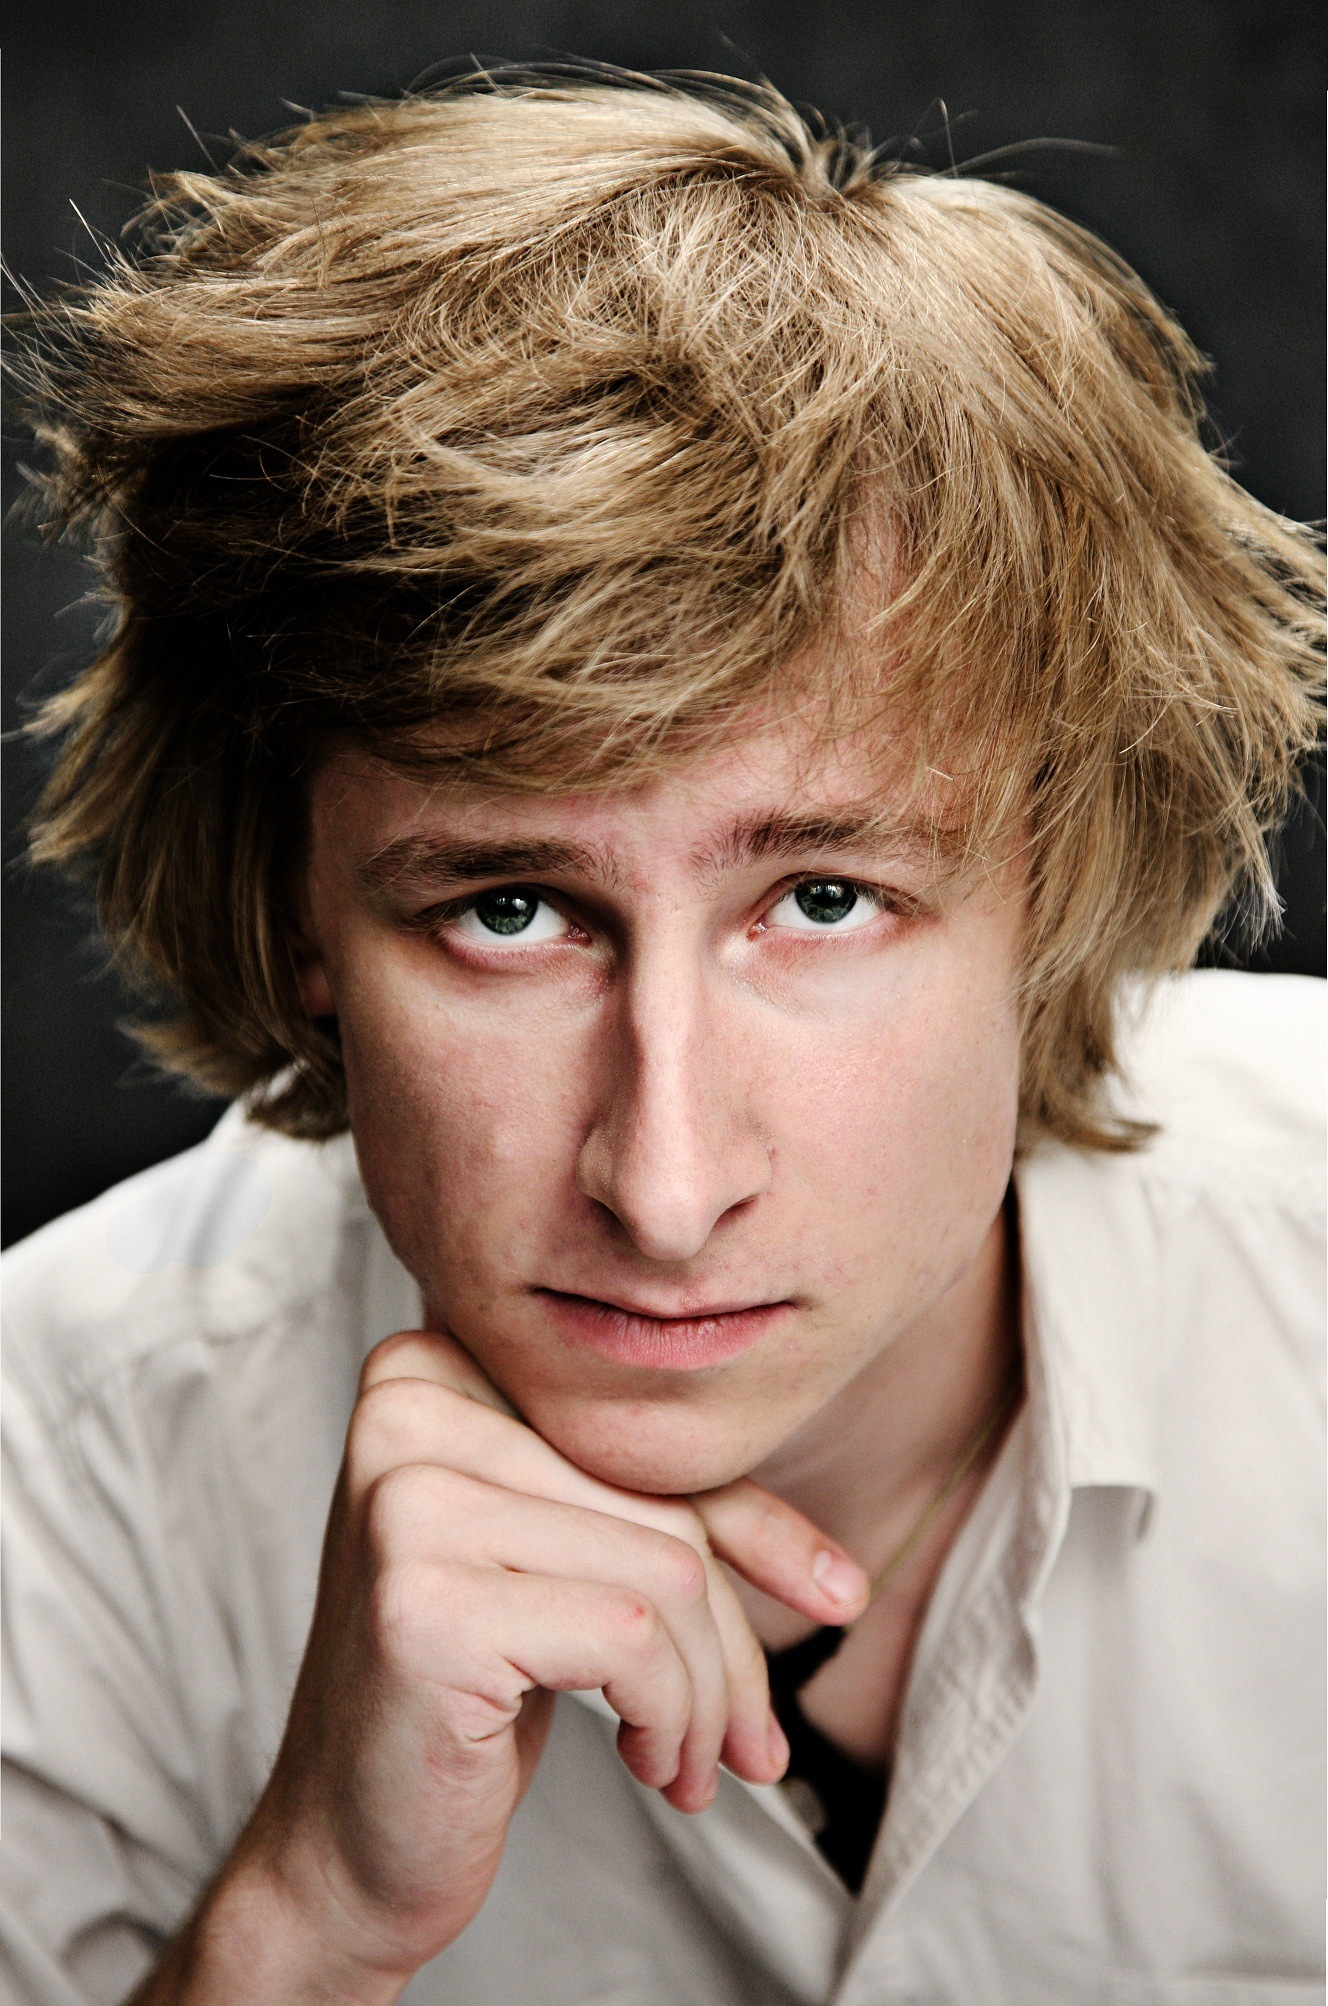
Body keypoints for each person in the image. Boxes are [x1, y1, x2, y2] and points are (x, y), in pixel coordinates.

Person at [2, 70, 1323, 2006]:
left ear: (1058, 890)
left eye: (824, 898)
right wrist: (305, 1919)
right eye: (508, 910)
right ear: (298, 916)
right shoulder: (54, 1462)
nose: (667, 1185)